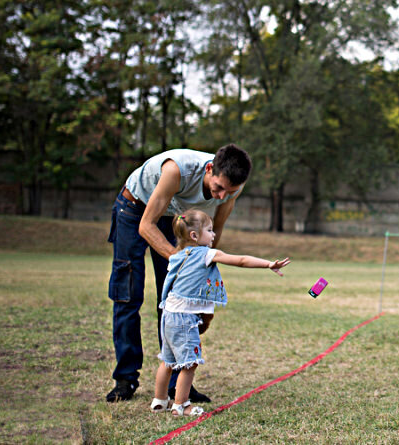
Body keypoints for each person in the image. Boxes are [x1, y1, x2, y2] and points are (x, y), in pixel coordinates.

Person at [106, 144, 252, 403]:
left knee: (179, 301)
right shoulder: (178, 170)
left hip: (174, 217)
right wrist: (181, 260)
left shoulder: (232, 188)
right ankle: (125, 379)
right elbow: (146, 225)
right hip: (135, 209)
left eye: (229, 192)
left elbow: (214, 231)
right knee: (128, 293)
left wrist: (202, 267)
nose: (220, 197)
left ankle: (177, 383)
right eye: (217, 188)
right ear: (209, 169)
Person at [150, 209, 290, 416]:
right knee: (190, 363)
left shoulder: (176, 256)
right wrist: (268, 264)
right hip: (184, 318)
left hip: (168, 314)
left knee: (168, 361)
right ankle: (181, 406)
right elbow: (240, 260)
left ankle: (160, 400)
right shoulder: (206, 253)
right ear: (195, 236)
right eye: (209, 230)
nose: (214, 234)